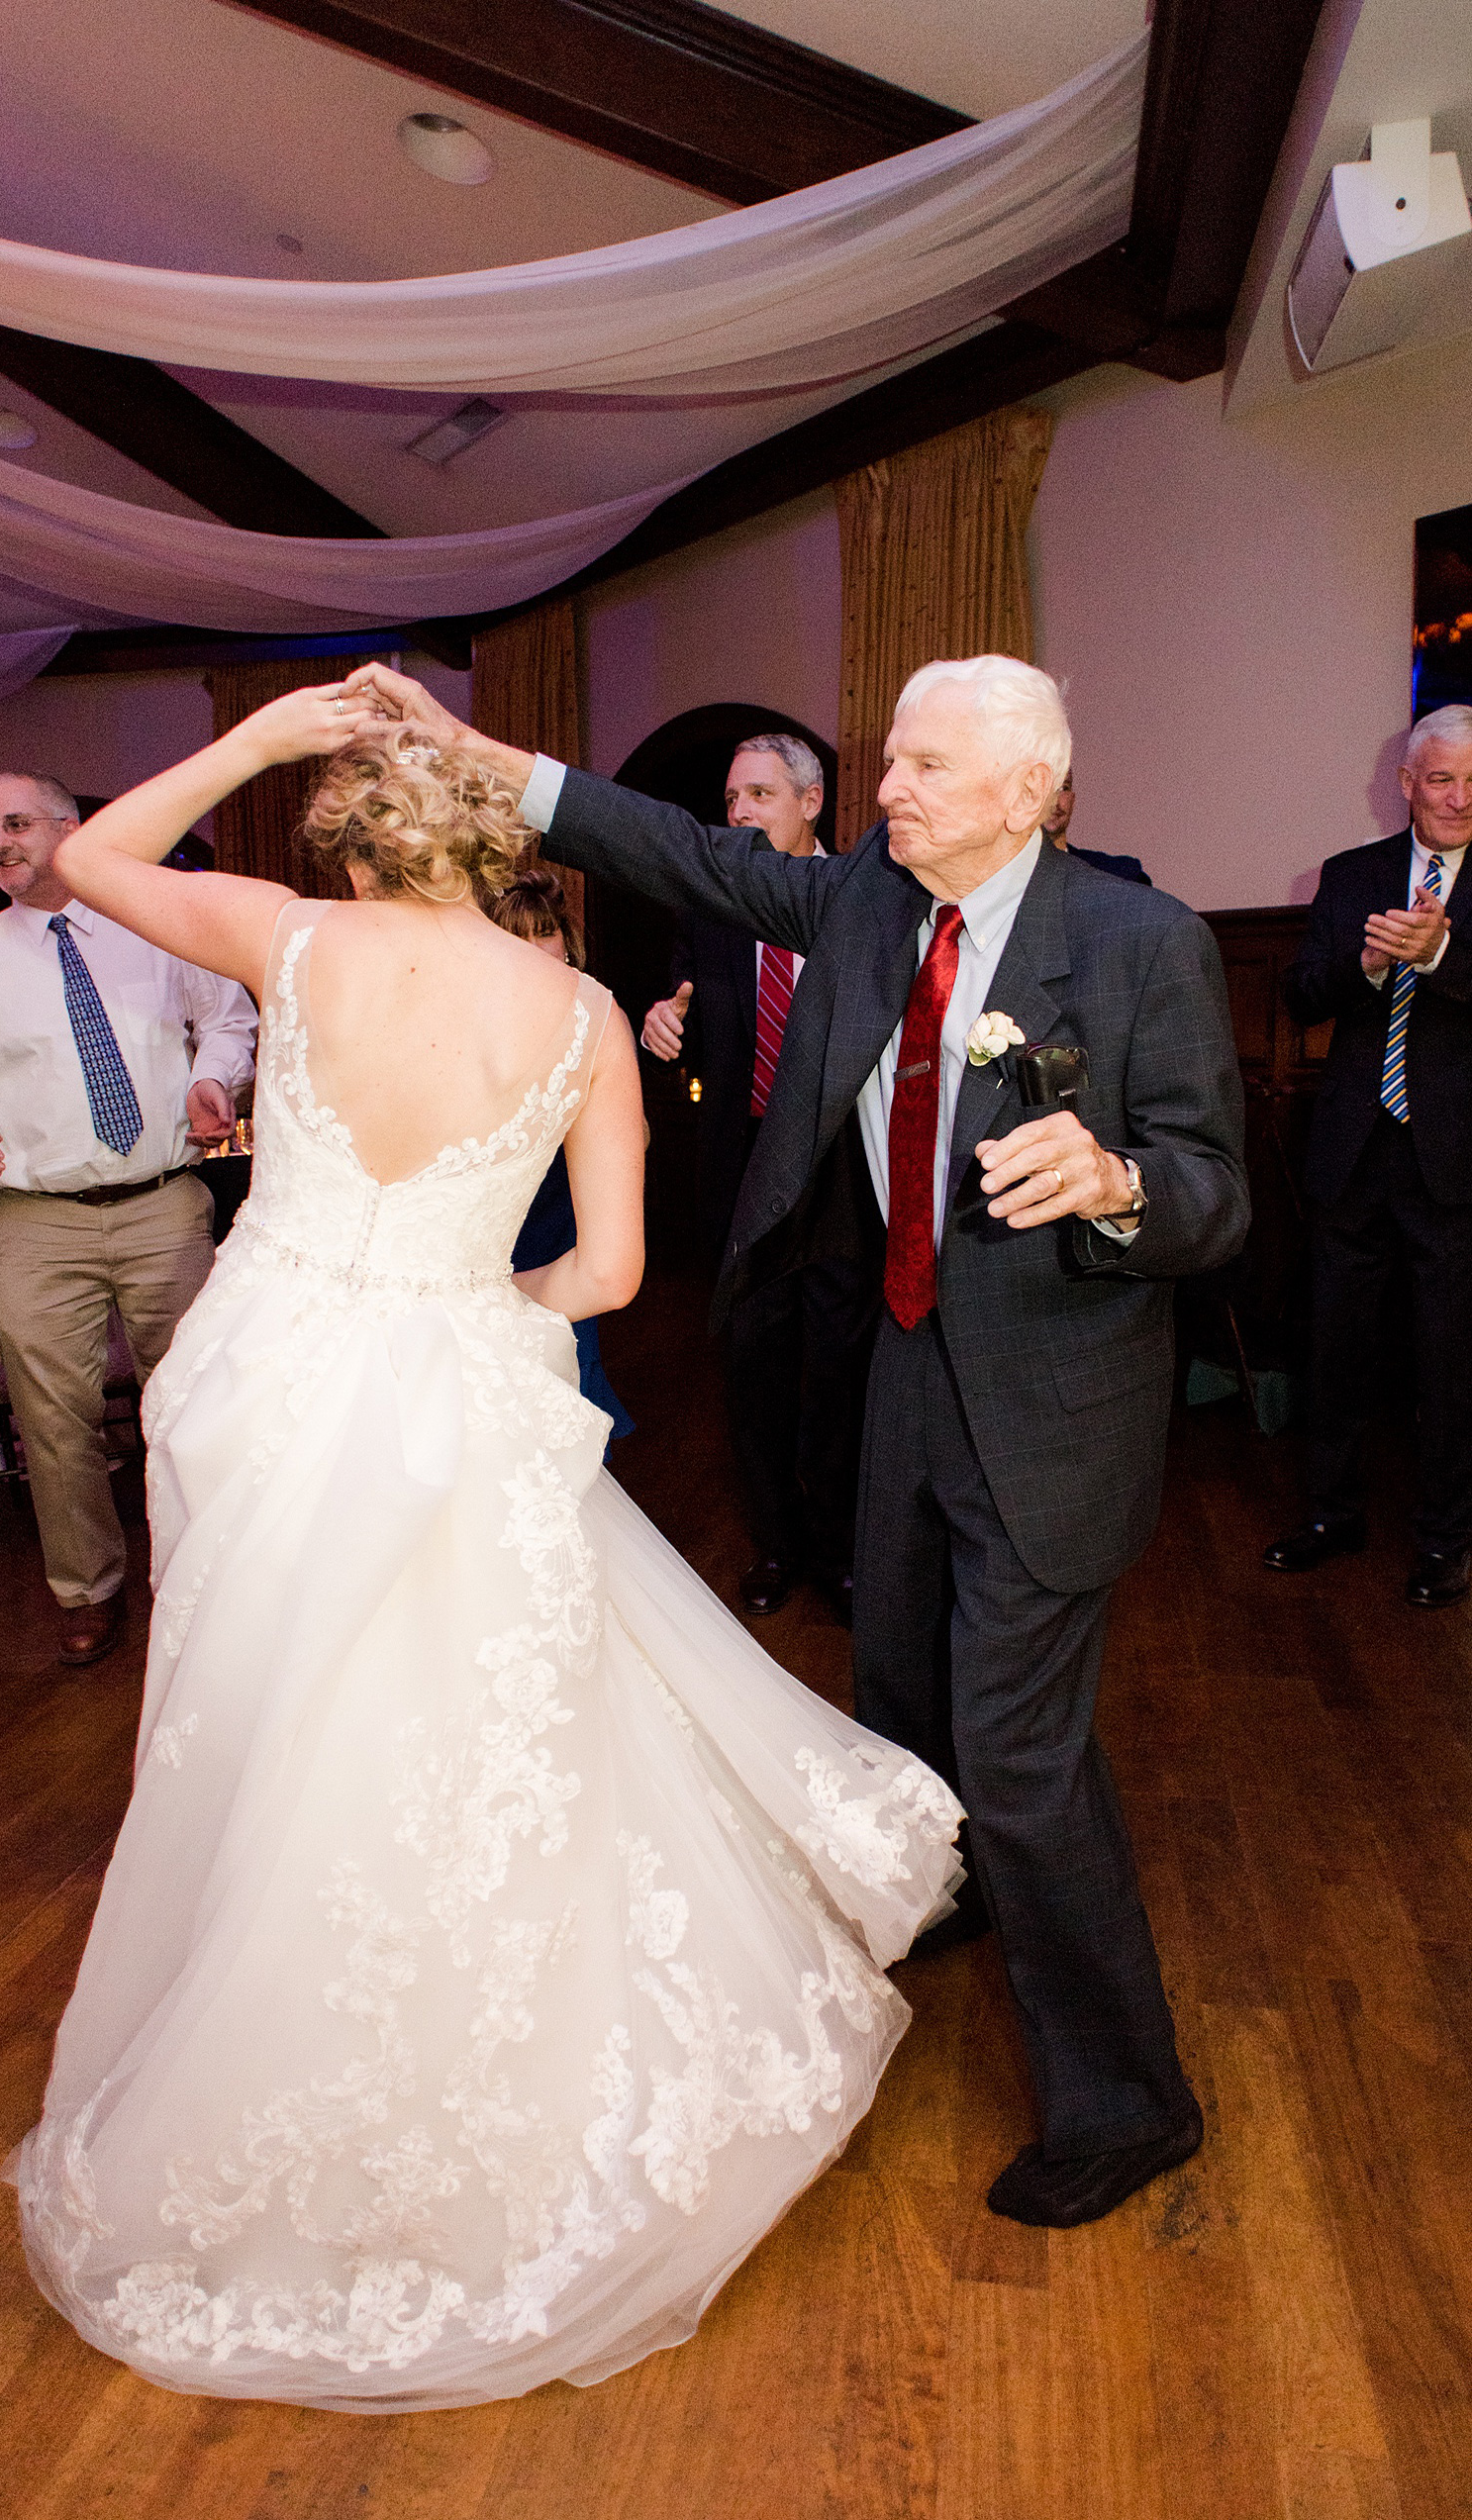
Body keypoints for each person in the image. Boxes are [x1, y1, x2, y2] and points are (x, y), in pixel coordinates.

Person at [8, 693, 961, 2411]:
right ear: (500, 841)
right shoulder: (586, 1012)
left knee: (260, 1716)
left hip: (266, 1386)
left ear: (343, 832)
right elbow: (603, 1276)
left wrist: (254, 738)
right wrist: (465, 1307)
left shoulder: (284, 942)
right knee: (461, 1726)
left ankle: (272, 2048)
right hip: (453, 1380)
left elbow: (84, 856)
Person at [337, 652, 1250, 2230]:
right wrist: (472, 750)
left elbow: (1215, 1189)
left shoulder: (1141, 936)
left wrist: (1115, 1182)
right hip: (901, 1368)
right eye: (887, 762)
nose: (887, 791)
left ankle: (1130, 2099)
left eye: (926, 770)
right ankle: (954, 1894)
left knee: (1024, 1758)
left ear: (1030, 791)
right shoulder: (863, 909)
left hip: (1058, 1402)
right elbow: (666, 848)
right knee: (896, 1685)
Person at [0, 773, 256, 1668]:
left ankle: (214, 1578)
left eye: (15, 823)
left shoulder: (154, 924)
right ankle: (87, 1589)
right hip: (34, 1221)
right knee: (52, 1420)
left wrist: (215, 1079)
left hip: (163, 1210)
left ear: (72, 830)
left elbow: (230, 1018)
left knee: (190, 1405)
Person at [641, 736, 880, 1622]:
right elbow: (694, 1022)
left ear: (811, 801)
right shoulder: (709, 910)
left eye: (757, 795)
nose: (736, 813)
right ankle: (777, 1546)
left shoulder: (866, 899)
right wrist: (667, 1025)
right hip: (743, 1181)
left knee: (838, 1372)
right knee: (754, 1370)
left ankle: (838, 1552)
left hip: (844, 1178)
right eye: (730, 798)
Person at [1264, 703, 1472, 1606]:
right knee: (1336, 1348)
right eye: (1442, 777)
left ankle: (1442, 1542)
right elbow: (1302, 994)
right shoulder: (1353, 876)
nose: (1460, 797)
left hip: (1456, 1163)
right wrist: (1373, 964)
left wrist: (1442, 954)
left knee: (1449, 1360)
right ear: (1406, 783)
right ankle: (1330, 1514)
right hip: (1353, 1153)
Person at [487, 867, 634, 1445]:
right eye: (513, 934)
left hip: (561, 1237)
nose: (531, 948)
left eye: (543, 931)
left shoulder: (595, 1028)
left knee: (564, 1404)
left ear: (566, 944)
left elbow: (633, 1139)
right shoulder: (467, 1030)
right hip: (488, 1236)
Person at [1041, 766, 1152, 886]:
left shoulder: (1120, 875)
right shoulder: (1018, 879)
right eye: (1043, 787)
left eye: (1063, 788)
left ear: (1072, 800)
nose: (1055, 801)